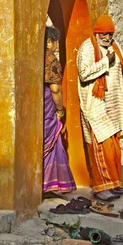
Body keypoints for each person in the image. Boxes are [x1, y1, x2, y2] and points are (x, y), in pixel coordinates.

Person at [77, 14, 123, 201]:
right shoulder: (87, 48)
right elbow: (83, 74)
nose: (107, 37)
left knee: (114, 147)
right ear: (97, 33)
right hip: (95, 105)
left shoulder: (116, 46)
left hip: (114, 104)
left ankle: (114, 184)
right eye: (103, 34)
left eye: (109, 34)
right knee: (100, 146)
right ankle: (100, 188)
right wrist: (106, 62)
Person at [43, 26, 76, 194]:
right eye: (55, 42)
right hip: (48, 106)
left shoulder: (36, 57)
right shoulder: (51, 60)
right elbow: (55, 89)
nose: (56, 46)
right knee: (51, 141)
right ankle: (49, 183)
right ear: (49, 42)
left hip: (37, 105)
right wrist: (60, 111)